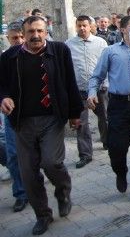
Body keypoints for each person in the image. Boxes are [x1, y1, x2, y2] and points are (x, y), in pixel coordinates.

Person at [0, 16, 82, 235]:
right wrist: (4, 98)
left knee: (52, 162)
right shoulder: (10, 57)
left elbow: (70, 82)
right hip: (22, 122)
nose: (35, 36)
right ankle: (43, 215)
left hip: (52, 118)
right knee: (28, 172)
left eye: (39, 31)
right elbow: (2, 86)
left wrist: (75, 114)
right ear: (24, 34)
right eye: (30, 32)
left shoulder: (60, 51)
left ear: (46, 32)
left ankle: (63, 192)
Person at [87, 15, 130, 203]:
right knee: (117, 146)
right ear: (122, 29)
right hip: (118, 104)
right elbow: (97, 76)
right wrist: (92, 93)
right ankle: (120, 172)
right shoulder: (111, 51)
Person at [65, 15, 108, 168]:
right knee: (81, 123)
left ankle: (107, 141)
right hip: (79, 90)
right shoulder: (68, 45)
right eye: (79, 25)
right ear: (76, 27)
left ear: (90, 26)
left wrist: (106, 83)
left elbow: (107, 64)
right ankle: (85, 154)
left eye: (85, 25)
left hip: (99, 89)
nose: (82, 28)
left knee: (104, 117)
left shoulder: (100, 43)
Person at [2, 21, 29, 212]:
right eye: (14, 38)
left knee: (36, 155)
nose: (18, 41)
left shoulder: (39, 55)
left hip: (36, 115)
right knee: (12, 155)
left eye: (21, 37)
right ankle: (20, 192)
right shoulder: (4, 59)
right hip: (12, 116)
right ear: (8, 39)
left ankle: (34, 181)